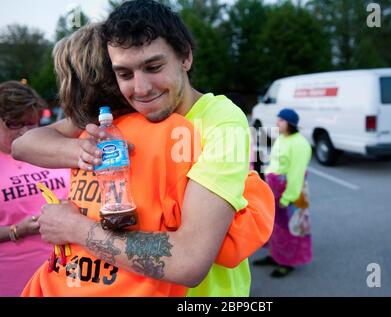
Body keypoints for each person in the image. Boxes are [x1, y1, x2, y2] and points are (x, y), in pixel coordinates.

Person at [13, 1, 274, 297]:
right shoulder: (119, 114)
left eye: (154, 67)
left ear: (185, 56)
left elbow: (189, 261)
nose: (141, 88)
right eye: (124, 74)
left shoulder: (220, 122)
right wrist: (82, 151)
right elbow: (24, 145)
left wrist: (74, 228)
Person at [0, 81, 69, 296]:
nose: (25, 132)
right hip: (14, 281)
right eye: (14, 124)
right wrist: (16, 230)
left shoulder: (49, 151)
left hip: (65, 277)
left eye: (31, 123)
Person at [253, 108, 312, 277]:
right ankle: (275, 256)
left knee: (290, 228)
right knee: (276, 228)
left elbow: (296, 174)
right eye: (277, 120)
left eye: (281, 120)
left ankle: (287, 262)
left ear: (290, 124)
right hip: (275, 190)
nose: (277, 123)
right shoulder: (281, 138)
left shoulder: (300, 143)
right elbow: (274, 163)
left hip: (290, 194)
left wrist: (287, 198)